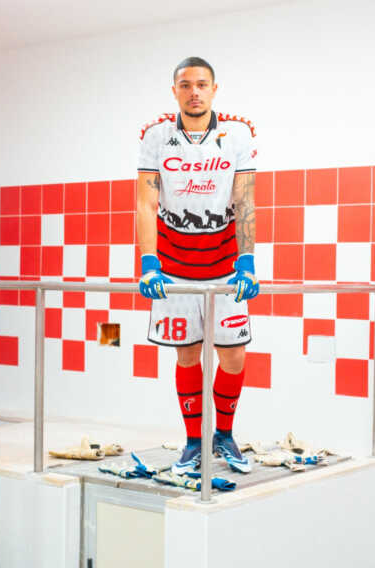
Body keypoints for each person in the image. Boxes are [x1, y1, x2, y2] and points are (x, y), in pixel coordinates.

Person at [136, 56, 259, 474]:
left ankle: (223, 435)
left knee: (234, 357)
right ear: (175, 91)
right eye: (186, 85)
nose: (194, 92)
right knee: (187, 356)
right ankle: (193, 442)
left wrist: (247, 260)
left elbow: (244, 198)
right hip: (173, 268)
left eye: (202, 84)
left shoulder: (237, 134)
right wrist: (149, 262)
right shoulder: (156, 136)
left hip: (225, 267)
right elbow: (146, 201)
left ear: (214, 89)